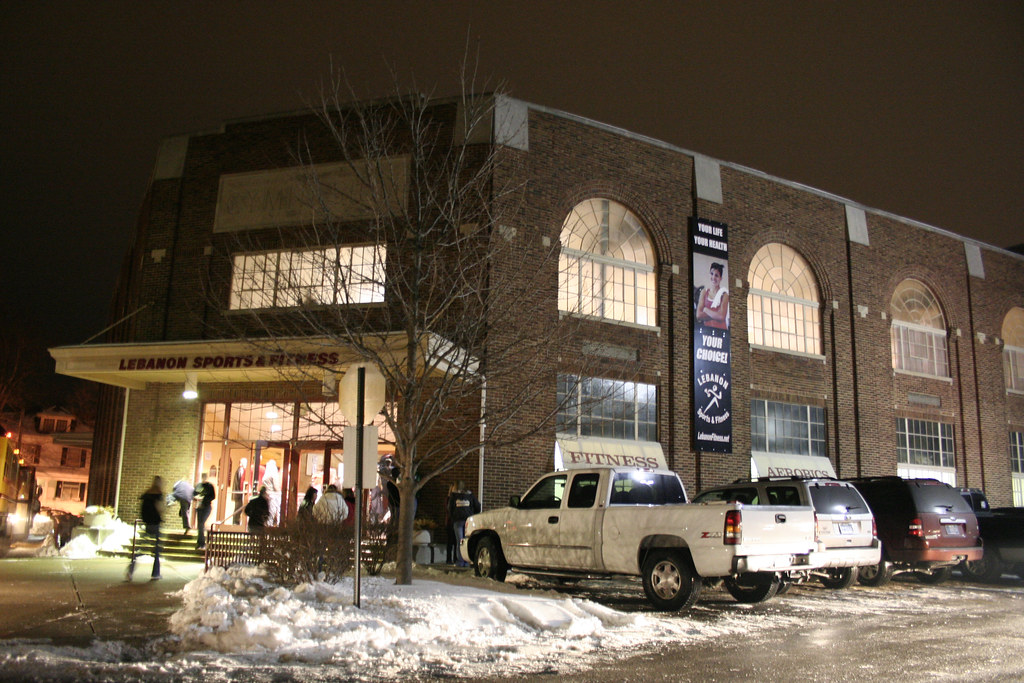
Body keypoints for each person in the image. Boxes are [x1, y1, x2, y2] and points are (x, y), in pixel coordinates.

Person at [128, 476, 165, 581]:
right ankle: (156, 573)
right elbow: (160, 508)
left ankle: (130, 570)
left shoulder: (147, 494)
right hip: (156, 523)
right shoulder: (158, 494)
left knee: (141, 548)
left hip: (147, 524)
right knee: (157, 550)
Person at [448, 481, 481, 568]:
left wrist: (453, 517)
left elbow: (450, 508)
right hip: (468, 521)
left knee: (460, 541)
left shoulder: (453, 496)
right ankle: (466, 561)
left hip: (457, 521)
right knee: (466, 541)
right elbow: (478, 506)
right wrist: (472, 513)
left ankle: (460, 561)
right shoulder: (470, 496)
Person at [695, 261, 729, 330]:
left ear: (720, 278)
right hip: (706, 332)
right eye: (712, 274)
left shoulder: (724, 294)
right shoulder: (704, 292)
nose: (713, 277)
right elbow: (698, 315)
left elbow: (722, 317)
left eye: (716, 275)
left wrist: (706, 310)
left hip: (721, 332)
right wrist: (716, 314)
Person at [193, 472, 216, 550]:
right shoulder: (198, 486)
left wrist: (204, 500)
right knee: (200, 525)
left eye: (205, 477)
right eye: (203, 477)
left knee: (201, 523)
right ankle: (200, 543)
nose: (204, 478)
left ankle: (201, 543)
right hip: (199, 507)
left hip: (206, 507)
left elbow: (213, 496)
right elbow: (194, 494)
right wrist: (197, 498)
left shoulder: (209, 486)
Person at [444, 482, 457, 564]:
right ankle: (449, 559)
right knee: (450, 542)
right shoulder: (449, 499)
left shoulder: (451, 499)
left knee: (455, 542)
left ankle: (454, 559)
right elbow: (448, 510)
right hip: (450, 522)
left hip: (452, 521)